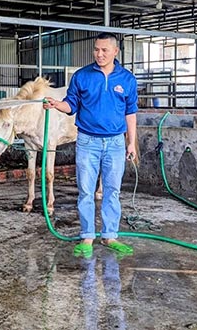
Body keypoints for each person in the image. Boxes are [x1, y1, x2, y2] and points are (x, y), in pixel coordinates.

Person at [44, 32, 137, 257]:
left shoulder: (127, 79)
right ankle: (87, 236)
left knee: (112, 190)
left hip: (115, 142)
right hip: (87, 141)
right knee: (86, 190)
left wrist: (131, 143)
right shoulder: (82, 76)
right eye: (96, 49)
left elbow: (131, 112)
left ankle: (109, 235)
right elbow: (71, 105)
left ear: (115, 51)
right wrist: (57, 105)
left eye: (105, 50)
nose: (99, 54)